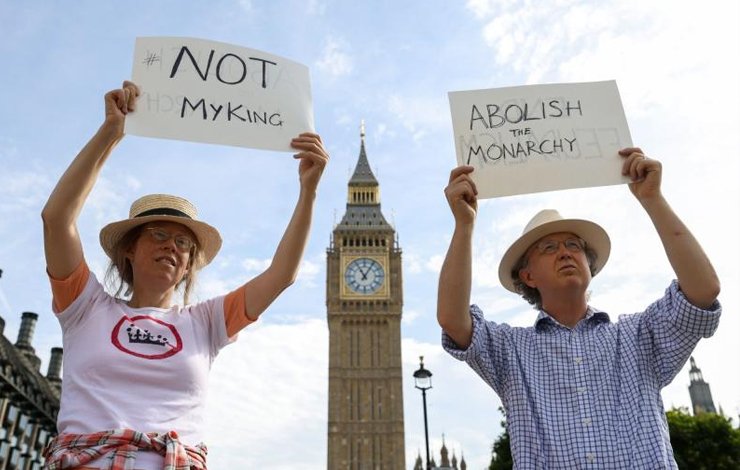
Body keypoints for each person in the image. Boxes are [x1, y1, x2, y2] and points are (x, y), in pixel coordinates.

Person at [41, 81, 329, 469]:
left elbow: (282, 275)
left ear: (190, 263)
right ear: (129, 248)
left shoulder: (206, 322)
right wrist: (110, 133)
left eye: (183, 243)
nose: (172, 247)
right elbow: (57, 219)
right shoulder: (84, 306)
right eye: (158, 235)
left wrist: (308, 191)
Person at [437, 149, 721, 468]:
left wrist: (653, 199)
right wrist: (464, 225)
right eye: (549, 247)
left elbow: (704, 290)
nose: (565, 253)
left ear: (589, 265)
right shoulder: (510, 350)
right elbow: (452, 319)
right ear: (527, 276)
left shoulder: (638, 336)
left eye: (574, 245)